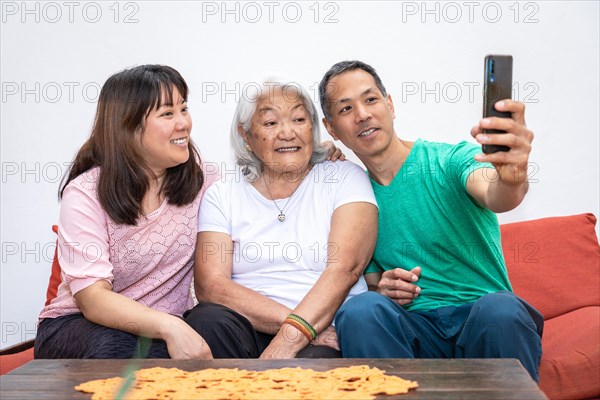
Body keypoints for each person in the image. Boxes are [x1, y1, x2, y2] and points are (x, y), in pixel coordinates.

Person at [318, 60, 543, 381]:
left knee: (501, 308)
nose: (363, 114)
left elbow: (499, 195)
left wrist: (513, 173)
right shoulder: (354, 199)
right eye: (345, 109)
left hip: (483, 323)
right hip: (416, 332)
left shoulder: (449, 160)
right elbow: (371, 286)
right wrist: (384, 288)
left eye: (370, 100)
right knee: (360, 310)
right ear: (332, 129)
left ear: (390, 105)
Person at [34, 65, 217, 360]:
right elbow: (93, 300)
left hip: (159, 331)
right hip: (78, 326)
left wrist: (317, 157)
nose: (183, 123)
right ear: (128, 127)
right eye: (167, 114)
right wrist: (170, 326)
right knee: (123, 350)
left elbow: (260, 193)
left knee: (215, 335)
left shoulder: (203, 179)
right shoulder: (85, 193)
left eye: (184, 109)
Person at [187, 77, 379, 359]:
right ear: (245, 135)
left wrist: (296, 336)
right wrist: (295, 327)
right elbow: (211, 286)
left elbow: (345, 269)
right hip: (255, 327)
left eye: (299, 119)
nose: (288, 133)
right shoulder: (222, 194)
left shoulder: (345, 177)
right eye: (270, 123)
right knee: (206, 321)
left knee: (315, 364)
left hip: (326, 328)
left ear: (312, 127)